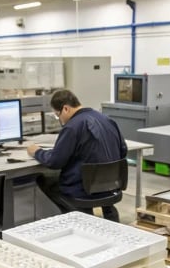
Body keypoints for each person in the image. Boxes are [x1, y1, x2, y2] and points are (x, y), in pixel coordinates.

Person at [27, 89, 127, 222]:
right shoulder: (107, 119)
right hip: (111, 187)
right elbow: (123, 150)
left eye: (58, 115)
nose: (60, 120)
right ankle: (108, 215)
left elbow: (55, 162)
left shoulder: (72, 127)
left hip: (83, 191)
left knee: (45, 179)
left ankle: (80, 215)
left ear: (66, 109)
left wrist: (36, 151)